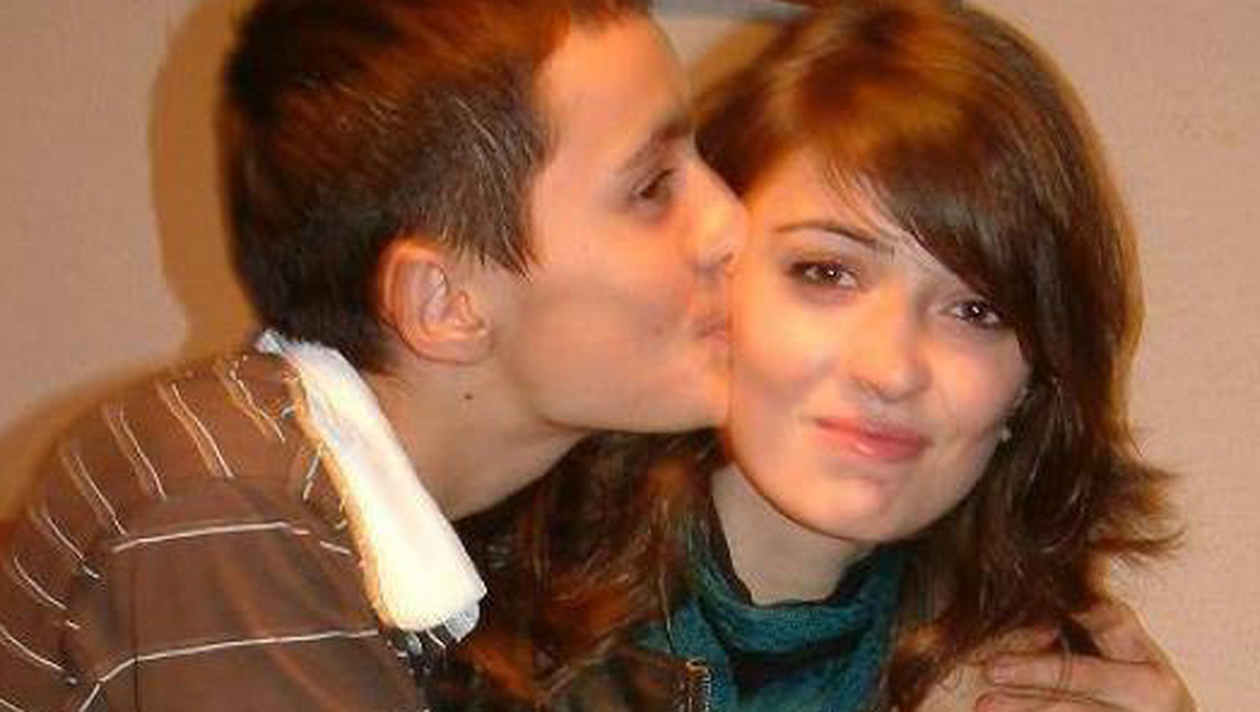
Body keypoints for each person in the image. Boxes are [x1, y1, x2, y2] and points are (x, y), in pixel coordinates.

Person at [438, 1, 1195, 710]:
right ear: (715, 274)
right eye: (827, 273)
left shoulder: (1034, 677)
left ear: (1032, 385)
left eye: (975, 311)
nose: (891, 369)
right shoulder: (451, 614)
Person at [0, 0, 745, 709]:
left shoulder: (399, 512)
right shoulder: (228, 507)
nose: (729, 223)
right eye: (652, 188)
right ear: (444, 302)